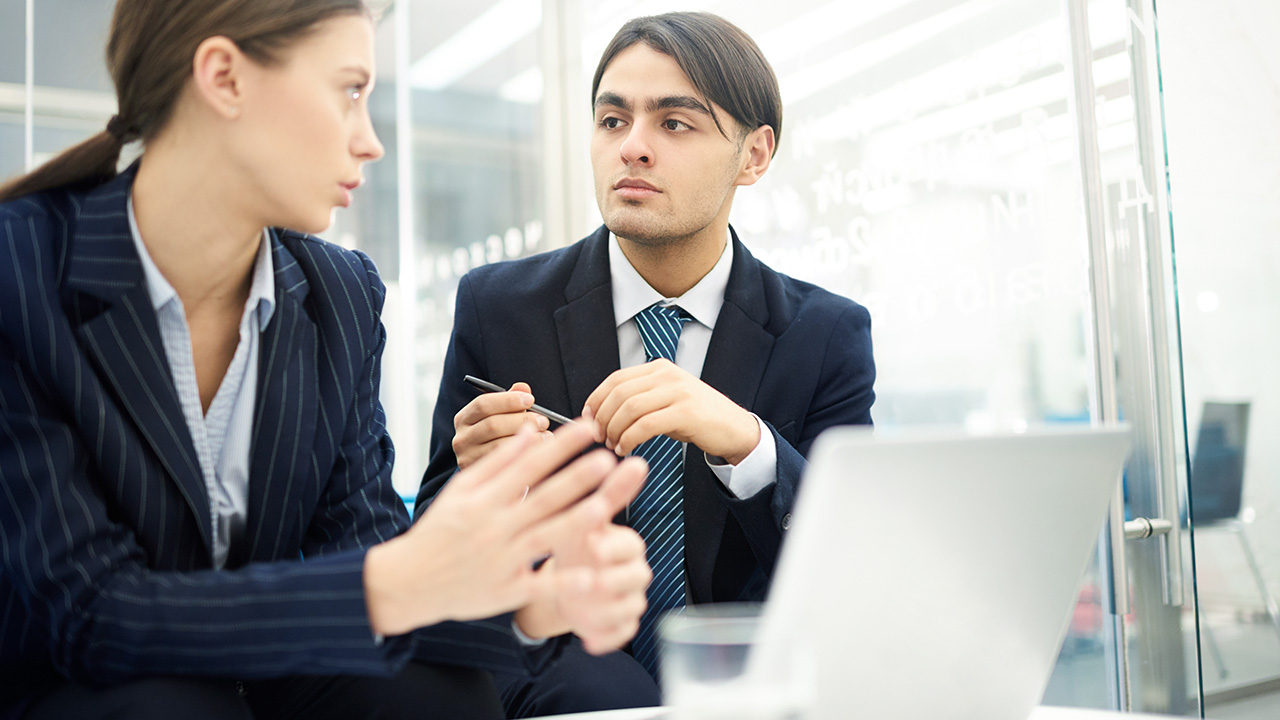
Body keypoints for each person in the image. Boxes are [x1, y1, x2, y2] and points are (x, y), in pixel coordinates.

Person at [0, 2, 651, 719]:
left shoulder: (339, 295)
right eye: (349, 91)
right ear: (224, 77)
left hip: (257, 671)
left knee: (438, 695)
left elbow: (366, 546)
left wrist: (524, 600)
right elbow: (81, 610)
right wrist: (389, 584)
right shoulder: (20, 269)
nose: (370, 142)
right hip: (72, 683)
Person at [416, 10, 876, 717]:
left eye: (674, 124)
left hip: (747, 683)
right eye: (611, 121)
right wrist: (480, 485)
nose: (632, 147)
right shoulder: (500, 307)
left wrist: (747, 444)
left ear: (753, 155)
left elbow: (851, 565)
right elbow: (427, 563)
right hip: (558, 680)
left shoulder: (826, 333)